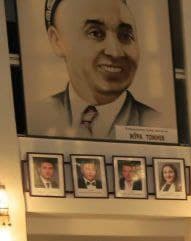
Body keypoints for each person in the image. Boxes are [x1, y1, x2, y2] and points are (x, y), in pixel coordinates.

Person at [29, 0, 166, 138]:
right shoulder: (34, 118)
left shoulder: (159, 124)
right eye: (95, 33)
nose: (115, 52)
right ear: (57, 41)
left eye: (125, 36)